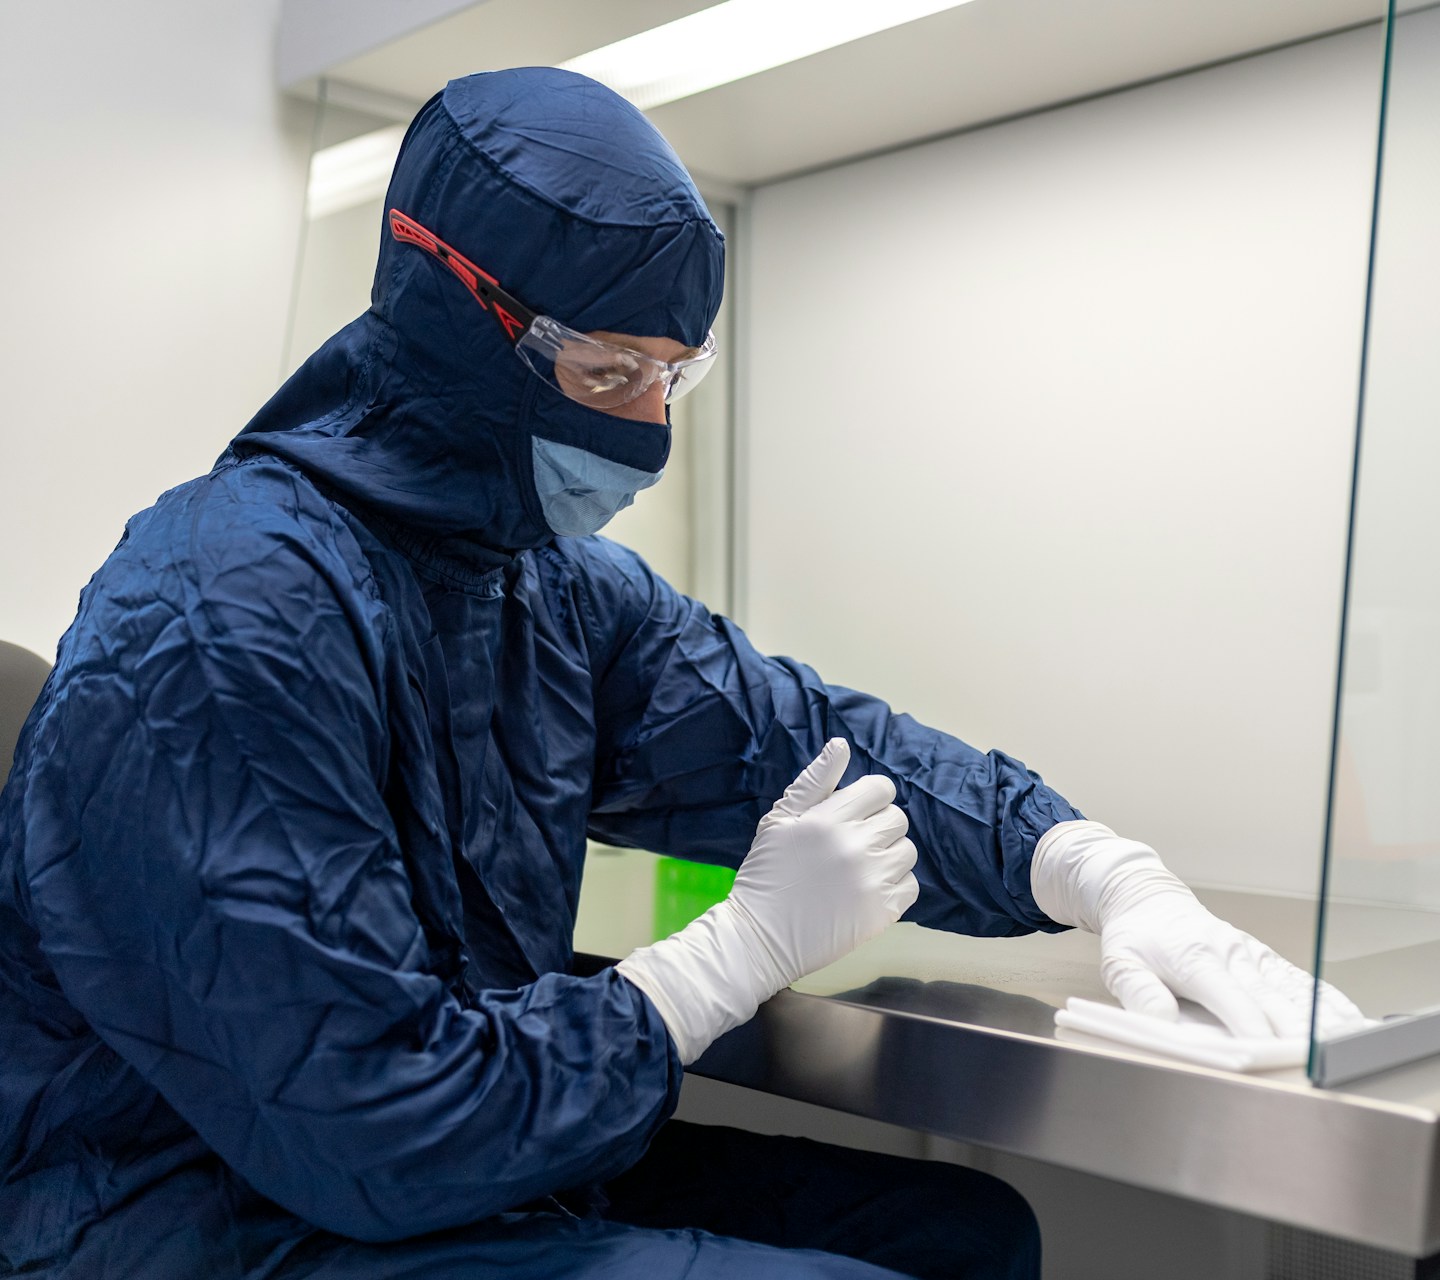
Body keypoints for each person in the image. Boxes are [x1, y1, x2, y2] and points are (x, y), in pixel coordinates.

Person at [0, 67, 1347, 1279]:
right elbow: (367, 1124)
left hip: (456, 1160)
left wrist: (1093, 869)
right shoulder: (219, 616)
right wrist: (725, 959)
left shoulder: (537, 582)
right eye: (608, 370)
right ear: (459, 314)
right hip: (199, 1215)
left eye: (671, 375)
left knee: (968, 1235)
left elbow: (801, 743)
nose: (644, 433)